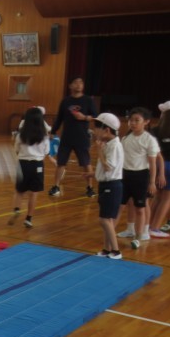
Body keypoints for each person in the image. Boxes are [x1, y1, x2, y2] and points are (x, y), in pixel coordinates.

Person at [115, 107, 159, 249]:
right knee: (119, 206)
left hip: (141, 176)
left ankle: (138, 237)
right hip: (125, 175)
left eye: (137, 120)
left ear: (146, 122)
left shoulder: (149, 140)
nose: (132, 123)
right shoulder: (125, 138)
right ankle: (110, 233)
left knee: (140, 208)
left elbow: (153, 163)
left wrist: (152, 182)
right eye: (130, 120)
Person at [49, 76, 99, 198]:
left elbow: (95, 116)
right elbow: (59, 118)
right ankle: (56, 186)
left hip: (82, 137)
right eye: (76, 82)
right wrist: (53, 131)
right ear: (70, 86)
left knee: (86, 163)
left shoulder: (88, 100)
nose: (79, 85)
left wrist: (84, 117)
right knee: (61, 162)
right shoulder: (65, 101)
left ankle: (90, 188)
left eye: (81, 82)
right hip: (67, 137)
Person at [8, 107, 49, 228]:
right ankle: (28, 219)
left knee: (19, 191)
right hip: (37, 165)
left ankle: (16, 209)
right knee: (33, 193)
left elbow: (16, 149)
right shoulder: (44, 136)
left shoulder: (21, 135)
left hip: (23, 164)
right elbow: (46, 151)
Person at [91, 113, 124, 259]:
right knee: (108, 220)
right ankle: (106, 249)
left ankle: (116, 251)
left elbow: (108, 167)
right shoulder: (109, 144)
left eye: (97, 128)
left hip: (112, 185)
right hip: (106, 185)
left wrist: (99, 151)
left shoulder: (114, 146)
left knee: (104, 219)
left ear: (107, 130)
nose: (94, 131)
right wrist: (92, 174)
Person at [149, 100, 170, 238]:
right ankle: (155, 228)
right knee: (167, 200)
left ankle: (147, 225)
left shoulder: (156, 130)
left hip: (158, 166)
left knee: (157, 198)